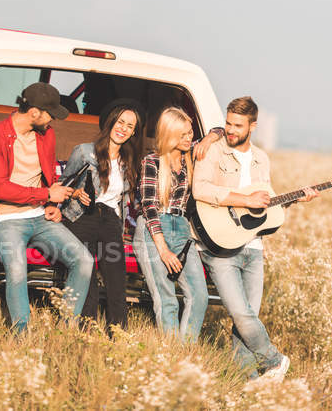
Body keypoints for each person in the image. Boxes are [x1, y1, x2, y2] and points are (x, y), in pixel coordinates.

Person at [192, 96, 318, 380]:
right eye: (228, 123)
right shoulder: (212, 151)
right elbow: (200, 190)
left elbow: (263, 203)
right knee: (241, 313)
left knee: (246, 318)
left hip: (253, 246)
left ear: (253, 126)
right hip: (219, 245)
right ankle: (273, 360)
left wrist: (297, 199)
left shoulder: (263, 159)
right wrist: (243, 197)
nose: (231, 130)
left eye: (238, 125)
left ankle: (245, 381)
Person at [0, 82, 94, 333]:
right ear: (34, 112)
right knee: (17, 267)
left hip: (40, 215)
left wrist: (52, 203)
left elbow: (48, 174)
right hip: (6, 218)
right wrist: (46, 194)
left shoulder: (46, 134)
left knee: (84, 260)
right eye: (50, 114)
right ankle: (21, 334)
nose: (53, 120)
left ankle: (66, 329)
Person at [132, 107, 223, 343]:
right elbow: (149, 207)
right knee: (166, 298)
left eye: (190, 132)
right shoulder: (151, 162)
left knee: (199, 295)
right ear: (170, 134)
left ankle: (186, 350)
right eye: (183, 134)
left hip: (182, 226)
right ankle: (171, 352)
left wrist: (209, 139)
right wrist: (163, 249)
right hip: (154, 229)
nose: (189, 137)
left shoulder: (190, 156)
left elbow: (220, 130)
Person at [60, 98, 145, 334]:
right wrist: (75, 193)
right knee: (86, 274)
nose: (123, 129)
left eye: (130, 126)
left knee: (116, 276)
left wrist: (127, 227)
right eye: (120, 122)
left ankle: (118, 332)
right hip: (81, 215)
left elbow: (125, 199)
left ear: (133, 132)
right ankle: (87, 329)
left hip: (110, 219)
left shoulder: (129, 161)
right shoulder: (84, 151)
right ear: (111, 122)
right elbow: (62, 184)